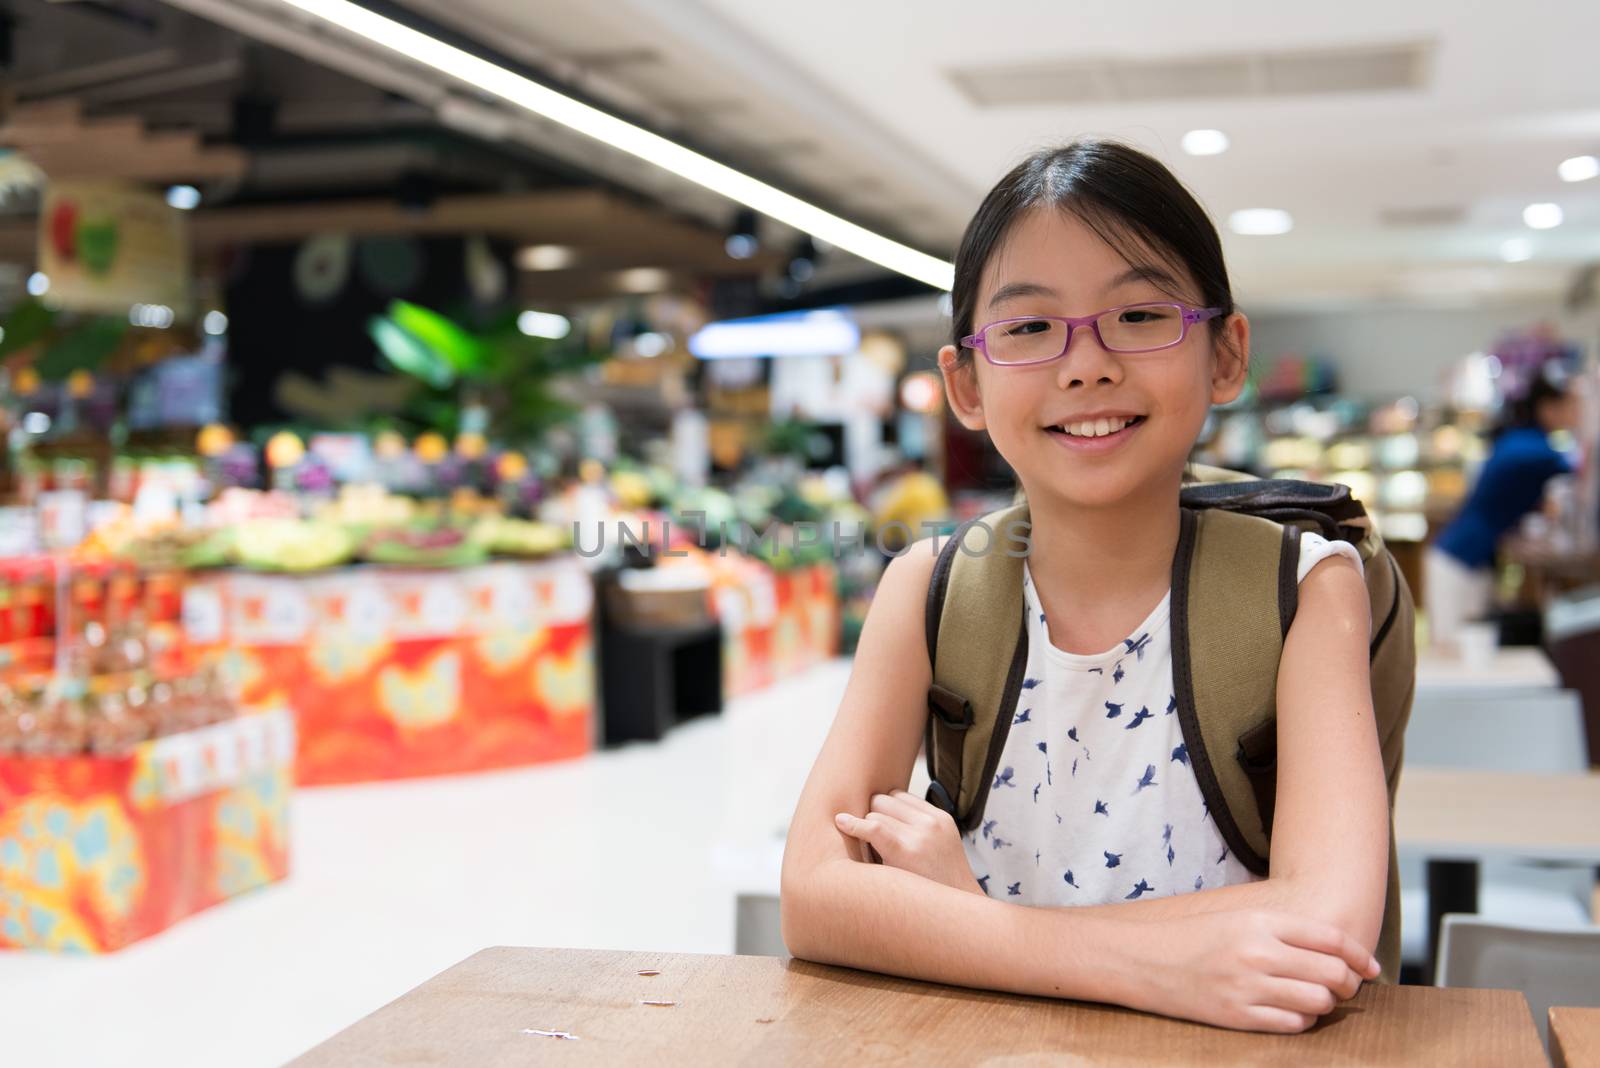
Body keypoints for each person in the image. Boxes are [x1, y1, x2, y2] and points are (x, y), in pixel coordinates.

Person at [780, 141, 1386, 1034]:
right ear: (966, 383)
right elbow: (812, 895)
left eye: (1140, 315)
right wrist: (1149, 964)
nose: (1086, 364)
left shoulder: (1308, 588)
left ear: (1226, 353)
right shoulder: (929, 589)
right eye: (1028, 328)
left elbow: (1323, 926)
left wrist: (964, 914)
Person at [1427, 362, 1577, 648]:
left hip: (1470, 557)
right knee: (1454, 649)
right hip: (1460, 559)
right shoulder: (1533, 450)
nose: (1575, 413)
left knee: (1469, 647)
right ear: (1547, 407)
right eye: (1570, 405)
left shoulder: (1522, 442)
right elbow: (1575, 467)